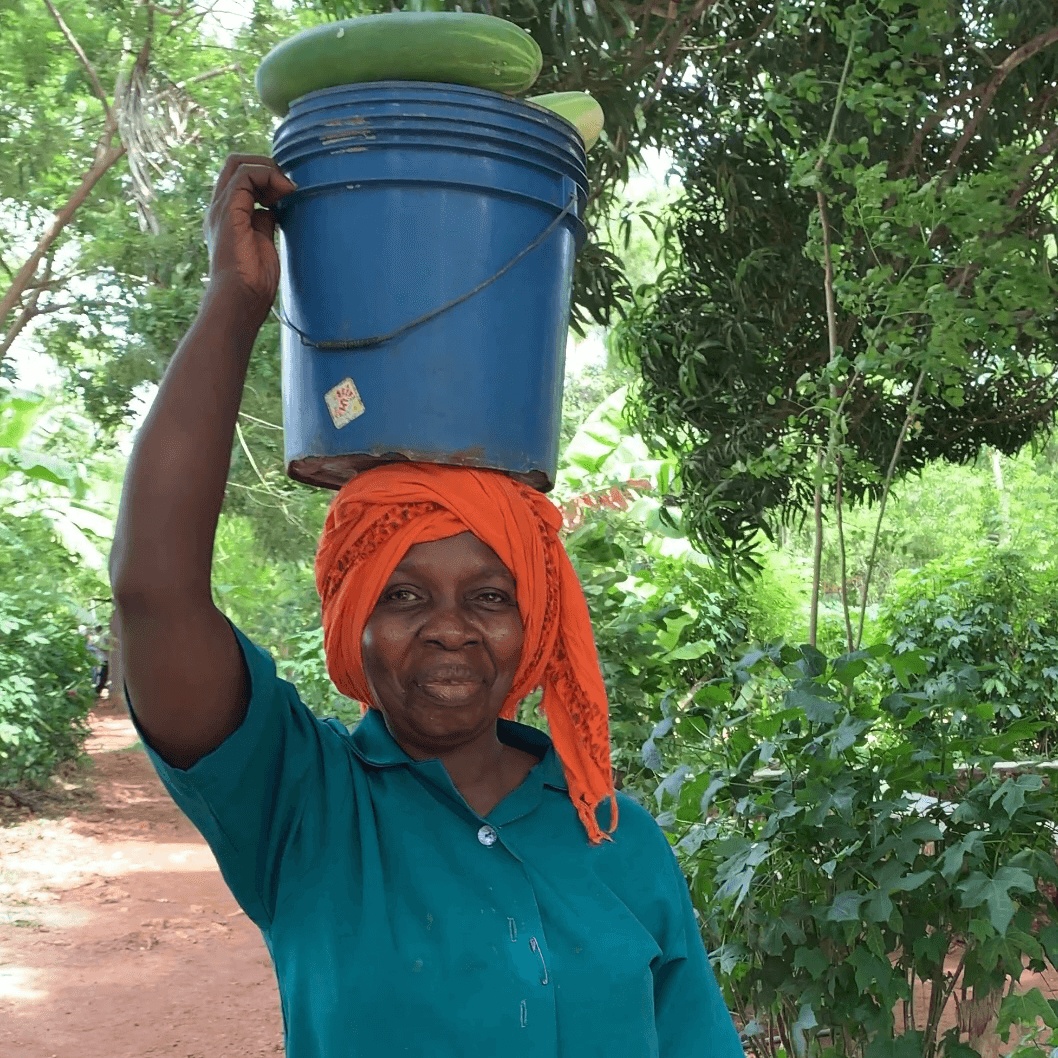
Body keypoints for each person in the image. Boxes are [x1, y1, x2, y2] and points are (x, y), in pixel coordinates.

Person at [109, 154, 746, 1058]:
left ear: (534, 627)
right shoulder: (301, 808)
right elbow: (153, 593)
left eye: (489, 596)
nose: (450, 625)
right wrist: (235, 300)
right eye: (404, 594)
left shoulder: (619, 841)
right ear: (352, 624)